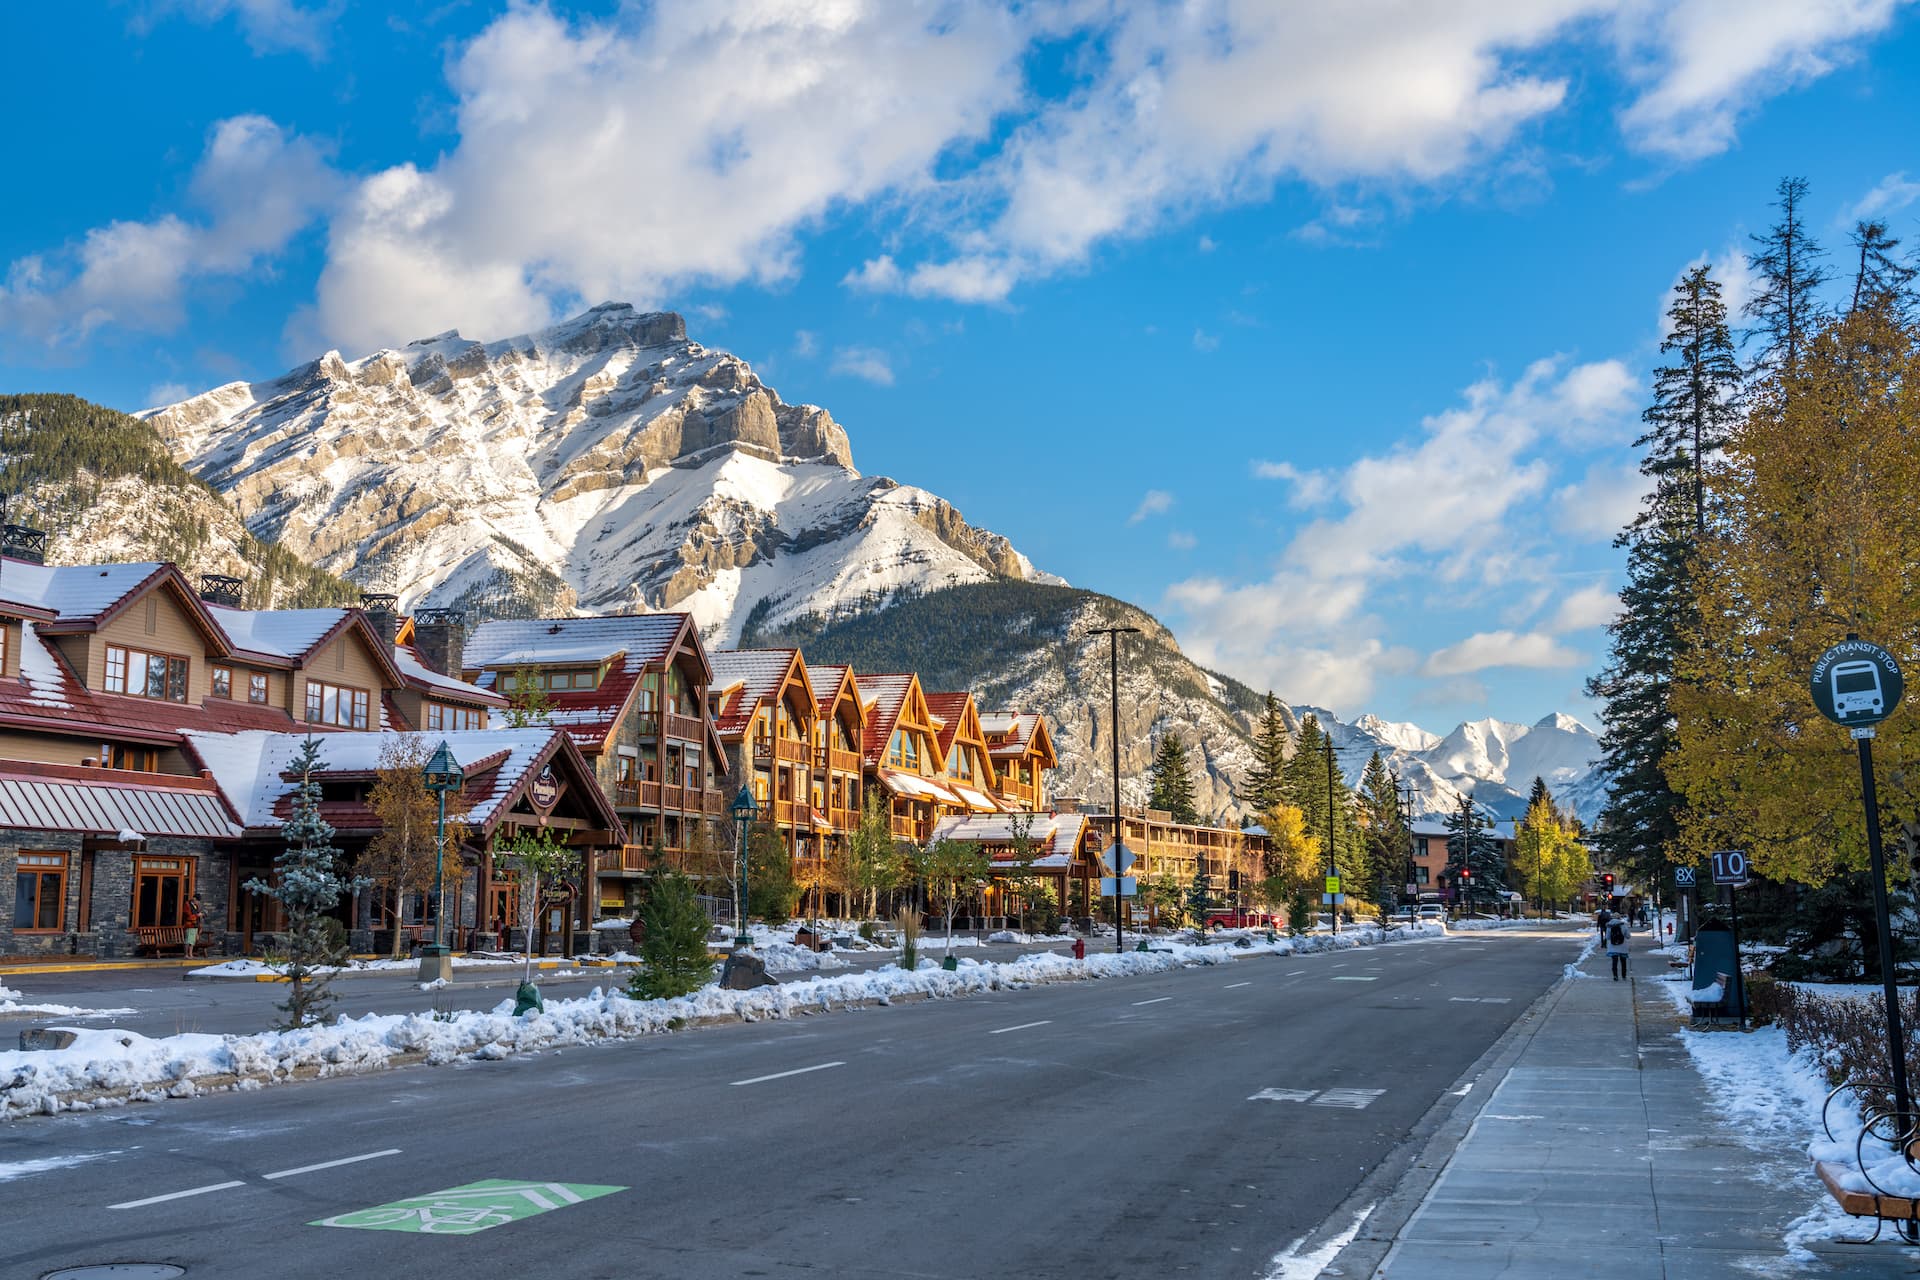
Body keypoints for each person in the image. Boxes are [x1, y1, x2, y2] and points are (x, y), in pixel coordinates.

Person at [1606, 911, 1631, 980]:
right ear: (1619, 918)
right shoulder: (1623, 925)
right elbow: (1628, 936)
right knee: (1623, 962)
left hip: (1613, 947)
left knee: (1614, 962)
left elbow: (1607, 937)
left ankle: (1615, 976)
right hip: (1623, 946)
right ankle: (1624, 976)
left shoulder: (1609, 926)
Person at [183, 894, 203, 959]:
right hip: (189, 925)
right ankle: (186, 955)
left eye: (198, 901)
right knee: (188, 940)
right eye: (197, 900)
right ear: (194, 898)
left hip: (195, 925)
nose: (197, 902)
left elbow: (197, 915)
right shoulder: (187, 904)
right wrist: (197, 915)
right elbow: (188, 916)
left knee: (192, 941)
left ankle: (191, 955)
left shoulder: (196, 906)